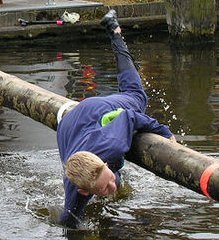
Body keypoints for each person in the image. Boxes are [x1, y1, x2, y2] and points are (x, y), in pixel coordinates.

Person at [57, 9, 176, 228]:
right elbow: (67, 222)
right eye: (104, 188)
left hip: (92, 111)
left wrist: (164, 132)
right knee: (74, 216)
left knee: (137, 98)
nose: (111, 187)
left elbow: (130, 116)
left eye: (109, 178)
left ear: (105, 163)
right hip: (68, 128)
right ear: (83, 190)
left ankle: (115, 31)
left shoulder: (112, 144)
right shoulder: (74, 189)